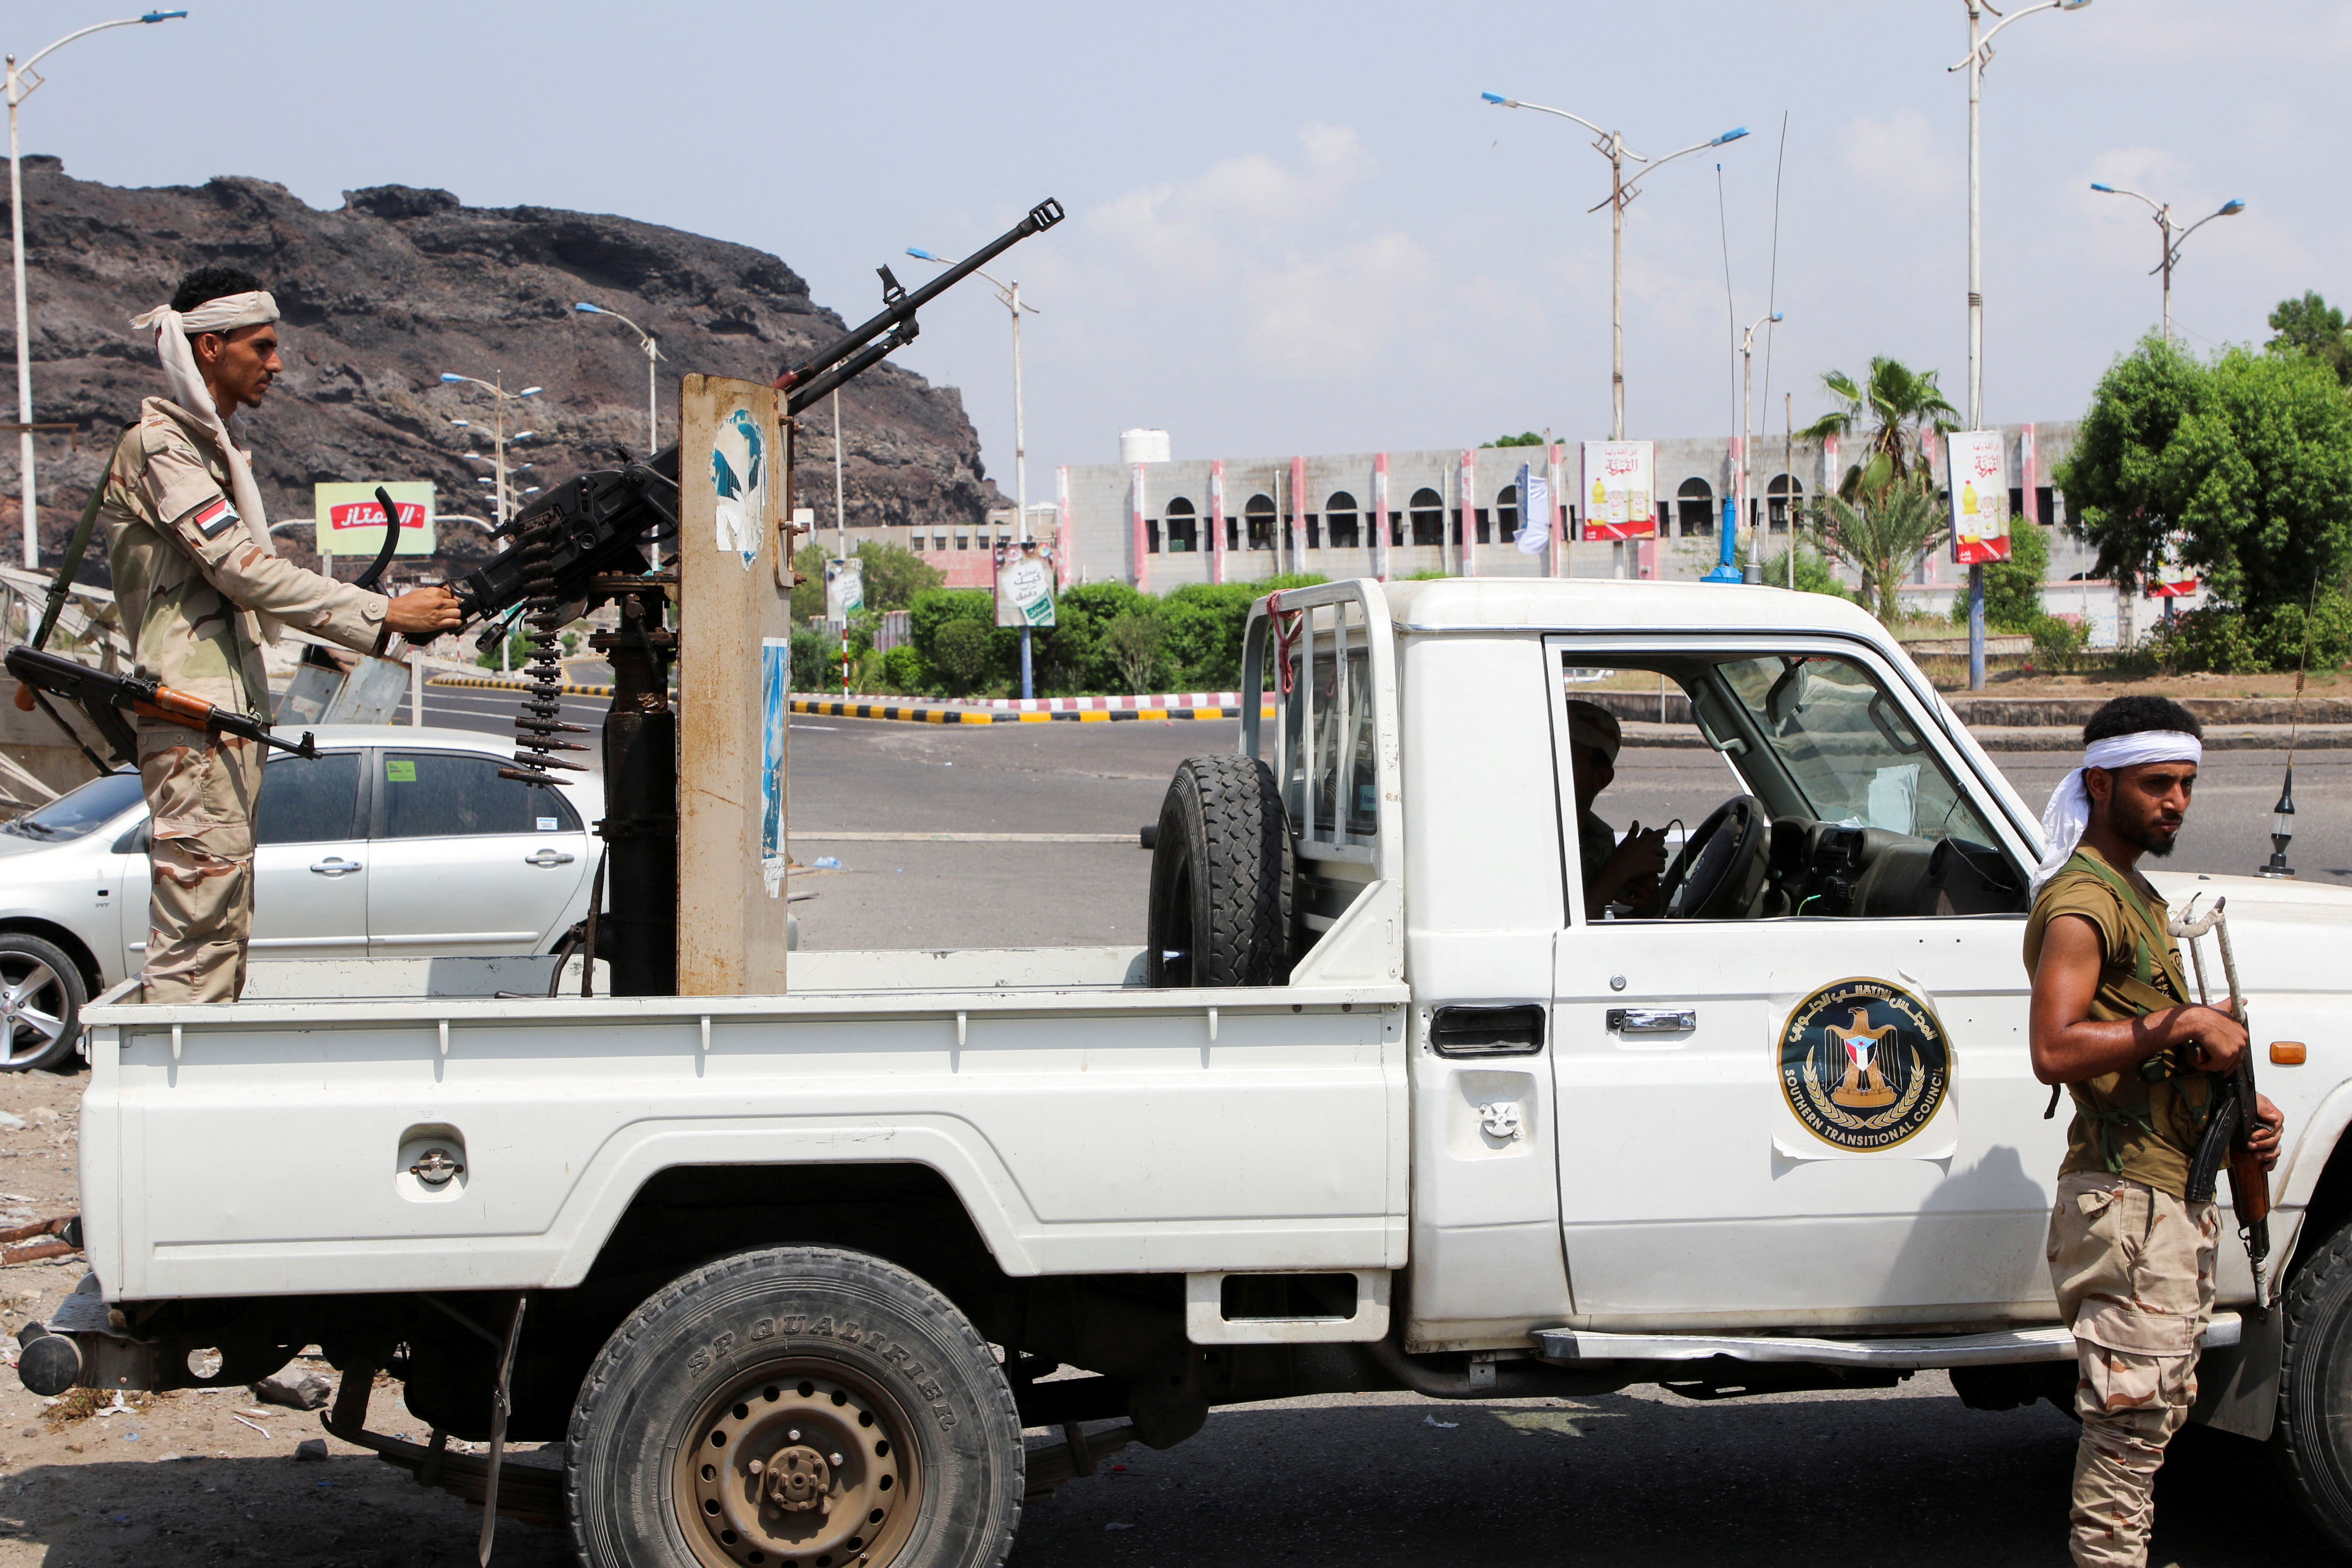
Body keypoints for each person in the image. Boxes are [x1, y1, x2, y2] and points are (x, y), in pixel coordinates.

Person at [99, 265, 462, 1002]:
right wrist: (382, 615)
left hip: (218, 715)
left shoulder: (209, 449)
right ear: (210, 348)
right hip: (189, 716)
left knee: (223, 918)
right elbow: (241, 569)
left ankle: (194, 1086)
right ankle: (172, 1099)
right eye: (260, 347)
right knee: (198, 925)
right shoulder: (162, 446)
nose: (277, 363)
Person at [2024, 695, 2282, 1568]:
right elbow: (2055, 1047)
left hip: (2166, 1190)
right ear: (2100, 782)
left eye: (2186, 785)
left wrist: (2235, 1106)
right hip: (2129, 1200)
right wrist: (2179, 1027)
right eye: (2156, 784)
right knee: (2130, 1428)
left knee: (2154, 1412)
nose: (2176, 802)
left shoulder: (2135, 891)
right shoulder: (2083, 903)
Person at [1565, 699, 1668, 919]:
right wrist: (1621, 867)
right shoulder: (1530, 834)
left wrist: (1646, 904)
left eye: (1563, 757)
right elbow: (1566, 928)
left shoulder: (1596, 839)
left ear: (1601, 778)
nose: (1547, 763)